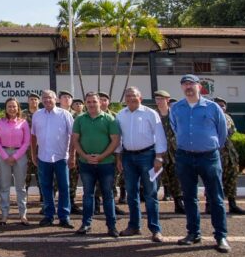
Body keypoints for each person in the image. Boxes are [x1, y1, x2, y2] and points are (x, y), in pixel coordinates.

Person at [170, 74, 230, 253]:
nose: (188, 87)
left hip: (208, 157)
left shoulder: (212, 107)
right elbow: (175, 127)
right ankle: (193, 233)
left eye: (191, 84)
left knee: (216, 198)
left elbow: (222, 132)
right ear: (182, 87)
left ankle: (221, 236)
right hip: (185, 156)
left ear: (199, 86)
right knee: (189, 197)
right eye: (185, 84)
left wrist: (209, 146)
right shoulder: (177, 108)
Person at [115, 86, 166, 243]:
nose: (131, 98)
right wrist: (118, 158)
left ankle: (155, 229)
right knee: (131, 193)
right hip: (128, 157)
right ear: (125, 99)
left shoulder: (150, 113)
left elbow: (160, 135)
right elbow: (119, 138)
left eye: (134, 95)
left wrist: (159, 157)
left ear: (140, 98)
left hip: (148, 156)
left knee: (150, 194)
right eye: (128, 96)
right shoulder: (120, 115)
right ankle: (134, 226)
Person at [72, 92, 121, 237]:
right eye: (89, 102)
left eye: (94, 101)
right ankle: (86, 224)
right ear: (86, 103)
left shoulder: (109, 119)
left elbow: (115, 141)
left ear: (100, 102)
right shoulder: (80, 119)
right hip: (86, 163)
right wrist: (84, 155)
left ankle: (111, 226)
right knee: (88, 195)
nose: (91, 104)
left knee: (108, 195)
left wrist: (101, 156)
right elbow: (75, 140)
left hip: (105, 163)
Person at [30, 90, 74, 228]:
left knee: (64, 188)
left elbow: (73, 136)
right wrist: (33, 154)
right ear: (42, 100)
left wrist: (72, 155)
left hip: (61, 157)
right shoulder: (37, 115)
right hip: (43, 157)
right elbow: (33, 136)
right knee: (46, 188)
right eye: (45, 98)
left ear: (56, 99)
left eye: (50, 98)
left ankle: (64, 217)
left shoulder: (65, 114)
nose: (47, 100)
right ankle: (48, 216)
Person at [0, 97, 31, 225]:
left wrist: (14, 157)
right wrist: (5, 156)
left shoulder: (23, 122)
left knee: (21, 187)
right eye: (9, 106)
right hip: (3, 154)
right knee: (4, 187)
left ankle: (23, 215)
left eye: (14, 106)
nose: (12, 108)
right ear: (6, 108)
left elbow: (26, 142)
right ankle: (4, 215)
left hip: (19, 155)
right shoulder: (0, 122)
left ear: (18, 108)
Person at [209, 97, 245, 215]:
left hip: (229, 153)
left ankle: (232, 204)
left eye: (223, 105)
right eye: (218, 105)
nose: (221, 107)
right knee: (213, 180)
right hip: (216, 152)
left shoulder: (228, 118)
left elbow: (232, 134)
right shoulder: (209, 118)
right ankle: (210, 205)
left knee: (231, 179)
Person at [154, 90, 185, 214]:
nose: (159, 101)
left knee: (176, 177)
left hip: (174, 150)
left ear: (168, 100)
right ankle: (152, 207)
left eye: (161, 99)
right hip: (158, 151)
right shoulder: (153, 114)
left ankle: (179, 203)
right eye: (157, 99)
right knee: (155, 178)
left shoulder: (175, 114)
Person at [59, 91, 82, 216]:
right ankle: (53, 204)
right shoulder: (55, 113)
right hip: (58, 151)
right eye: (64, 97)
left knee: (73, 177)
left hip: (74, 151)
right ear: (59, 99)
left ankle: (71, 202)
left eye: (69, 97)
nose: (67, 99)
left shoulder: (78, 116)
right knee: (56, 180)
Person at [24, 93, 43, 212]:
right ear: (28, 101)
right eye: (31, 99)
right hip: (26, 148)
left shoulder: (42, 113)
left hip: (40, 147)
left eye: (35, 99)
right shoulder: (23, 114)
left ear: (38, 101)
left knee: (40, 173)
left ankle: (43, 196)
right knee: (25, 173)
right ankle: (23, 196)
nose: (33, 101)